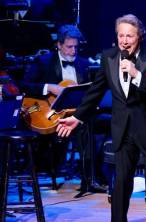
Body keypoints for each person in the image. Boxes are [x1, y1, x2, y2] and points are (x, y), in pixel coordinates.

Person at [56, 14, 146, 222]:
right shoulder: (108, 57)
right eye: (121, 35)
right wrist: (78, 118)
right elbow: (95, 92)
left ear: (140, 36)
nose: (124, 40)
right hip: (122, 130)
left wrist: (137, 75)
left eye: (130, 36)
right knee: (120, 185)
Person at [21, 24, 97, 193]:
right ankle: (47, 168)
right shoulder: (44, 61)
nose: (73, 51)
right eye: (69, 47)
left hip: (75, 113)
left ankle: (89, 179)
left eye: (76, 47)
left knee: (93, 125)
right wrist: (49, 87)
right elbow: (24, 85)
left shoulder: (83, 64)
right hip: (51, 113)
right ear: (59, 45)